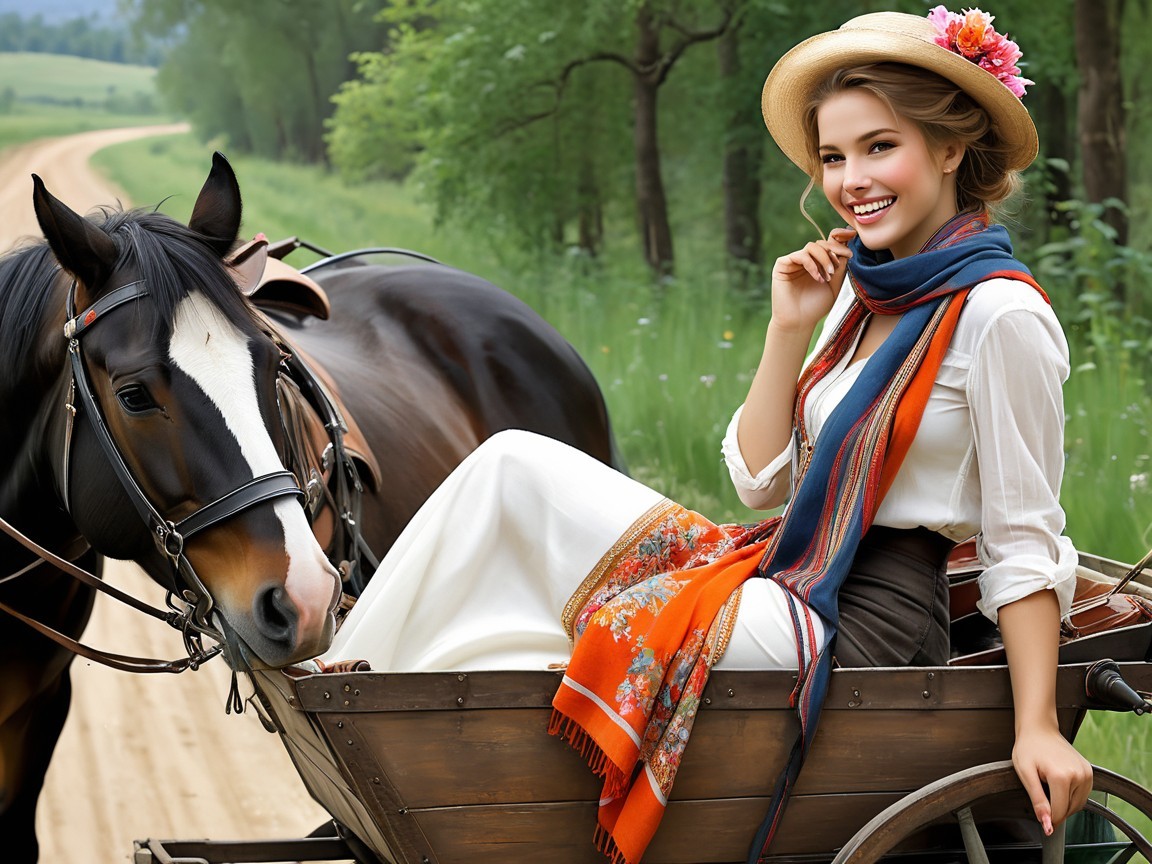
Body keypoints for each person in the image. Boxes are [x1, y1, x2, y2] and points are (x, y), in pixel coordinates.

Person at [319, 6, 1092, 862]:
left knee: (600, 614)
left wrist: (1038, 727)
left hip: (863, 623)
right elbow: (761, 484)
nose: (851, 180)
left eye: (881, 147)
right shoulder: (860, 299)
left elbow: (1026, 539)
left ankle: (386, 723)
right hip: (787, 568)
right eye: (833, 157)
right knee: (509, 466)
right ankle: (346, 689)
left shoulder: (1001, 314)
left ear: (951, 149)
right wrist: (786, 329)